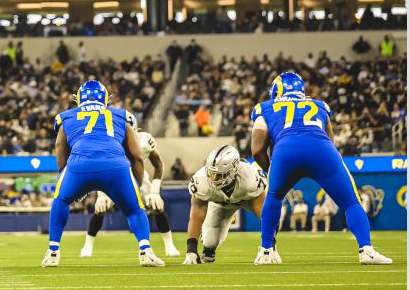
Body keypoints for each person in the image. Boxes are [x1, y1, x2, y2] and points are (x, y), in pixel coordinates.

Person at [250, 70, 392, 265]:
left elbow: (257, 149)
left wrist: (271, 169)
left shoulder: (264, 108)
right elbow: (330, 139)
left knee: (274, 197)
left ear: (276, 91)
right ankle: (366, 249)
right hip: (321, 150)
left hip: (286, 151)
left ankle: (266, 251)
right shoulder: (318, 105)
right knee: (351, 202)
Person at [42, 80, 163, 268]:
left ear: (77, 99)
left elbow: (60, 148)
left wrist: (65, 179)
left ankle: (53, 252)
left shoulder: (65, 117)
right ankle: (146, 251)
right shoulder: (122, 115)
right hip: (115, 166)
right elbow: (137, 156)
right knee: (134, 208)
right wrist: (136, 187)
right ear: (108, 99)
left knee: (60, 200)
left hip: (79, 165)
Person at [81, 127, 179, 258]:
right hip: (113, 179)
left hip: (138, 178)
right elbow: (100, 168)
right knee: (100, 207)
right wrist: (101, 194)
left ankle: (169, 244)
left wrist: (155, 191)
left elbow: (158, 164)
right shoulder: (107, 142)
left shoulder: (144, 141)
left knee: (157, 205)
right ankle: (88, 245)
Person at [181, 145, 273, 265]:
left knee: (273, 220)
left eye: (220, 175)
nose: (214, 179)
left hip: (248, 199)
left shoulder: (249, 178)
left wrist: (269, 246)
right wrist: (191, 250)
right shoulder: (201, 180)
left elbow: (264, 214)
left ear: (233, 171)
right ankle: (209, 249)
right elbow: (196, 213)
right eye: (212, 173)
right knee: (210, 241)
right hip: (221, 204)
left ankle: (271, 248)